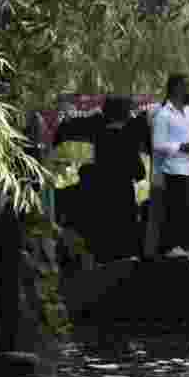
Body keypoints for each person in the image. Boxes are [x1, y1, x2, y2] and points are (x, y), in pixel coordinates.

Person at [53, 95, 150, 262]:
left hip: (95, 208)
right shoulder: (127, 138)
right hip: (121, 209)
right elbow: (139, 173)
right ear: (126, 115)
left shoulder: (95, 133)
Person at [148, 73, 189, 259]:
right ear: (176, 89)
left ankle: (188, 256)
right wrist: (180, 147)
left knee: (188, 221)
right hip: (173, 176)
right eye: (188, 87)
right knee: (175, 220)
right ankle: (173, 257)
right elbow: (158, 145)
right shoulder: (163, 115)